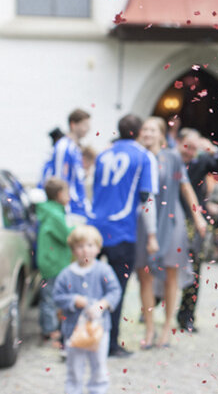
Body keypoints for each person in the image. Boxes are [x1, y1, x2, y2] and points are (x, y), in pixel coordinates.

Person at [88, 114, 158, 358]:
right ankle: (110, 344)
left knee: (92, 285)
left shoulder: (103, 154)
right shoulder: (143, 156)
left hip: (95, 227)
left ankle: (89, 337)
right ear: (138, 132)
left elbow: (94, 187)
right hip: (122, 229)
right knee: (115, 288)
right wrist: (151, 234)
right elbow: (145, 197)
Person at [135, 117, 207, 348]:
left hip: (171, 218)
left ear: (161, 134)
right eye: (144, 129)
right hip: (145, 222)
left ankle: (166, 328)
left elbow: (185, 187)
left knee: (171, 275)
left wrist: (197, 215)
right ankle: (149, 329)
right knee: (144, 277)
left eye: (152, 129)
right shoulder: (137, 157)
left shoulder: (172, 157)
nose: (147, 133)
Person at [53, 225, 122, 394]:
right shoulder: (66, 274)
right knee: (74, 368)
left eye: (90, 246)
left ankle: (98, 391)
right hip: (73, 331)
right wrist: (74, 300)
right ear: (73, 249)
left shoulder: (103, 270)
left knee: (99, 367)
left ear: (98, 248)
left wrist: (102, 304)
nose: (85, 251)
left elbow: (115, 291)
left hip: (100, 330)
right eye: (80, 246)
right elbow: (57, 296)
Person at [176, 128, 218, 332]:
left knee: (194, 267)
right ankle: (153, 302)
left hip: (194, 220)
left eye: (194, 148)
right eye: (187, 147)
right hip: (171, 218)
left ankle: (186, 316)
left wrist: (213, 151)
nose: (191, 152)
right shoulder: (171, 159)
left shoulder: (202, 160)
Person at [36, 177, 74, 347]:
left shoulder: (50, 211)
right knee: (50, 297)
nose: (69, 197)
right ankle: (50, 330)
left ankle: (46, 327)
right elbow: (67, 236)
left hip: (49, 261)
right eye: (67, 193)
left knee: (47, 295)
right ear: (59, 194)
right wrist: (78, 228)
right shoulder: (56, 214)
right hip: (54, 262)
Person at [42, 108, 91, 222]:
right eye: (84, 125)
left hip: (78, 207)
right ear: (73, 125)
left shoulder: (75, 147)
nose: (87, 129)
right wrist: (64, 208)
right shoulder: (64, 146)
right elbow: (59, 180)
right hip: (70, 209)